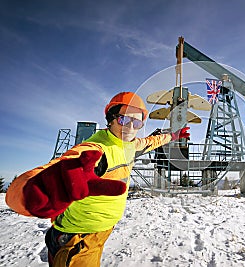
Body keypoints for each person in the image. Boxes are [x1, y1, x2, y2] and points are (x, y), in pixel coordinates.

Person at [6, 92, 190, 267]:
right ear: (111, 119)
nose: (130, 127)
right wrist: (29, 193)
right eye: (124, 119)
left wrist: (174, 136)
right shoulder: (95, 150)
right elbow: (57, 168)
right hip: (77, 238)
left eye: (137, 122)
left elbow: (152, 142)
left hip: (99, 232)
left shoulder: (131, 145)